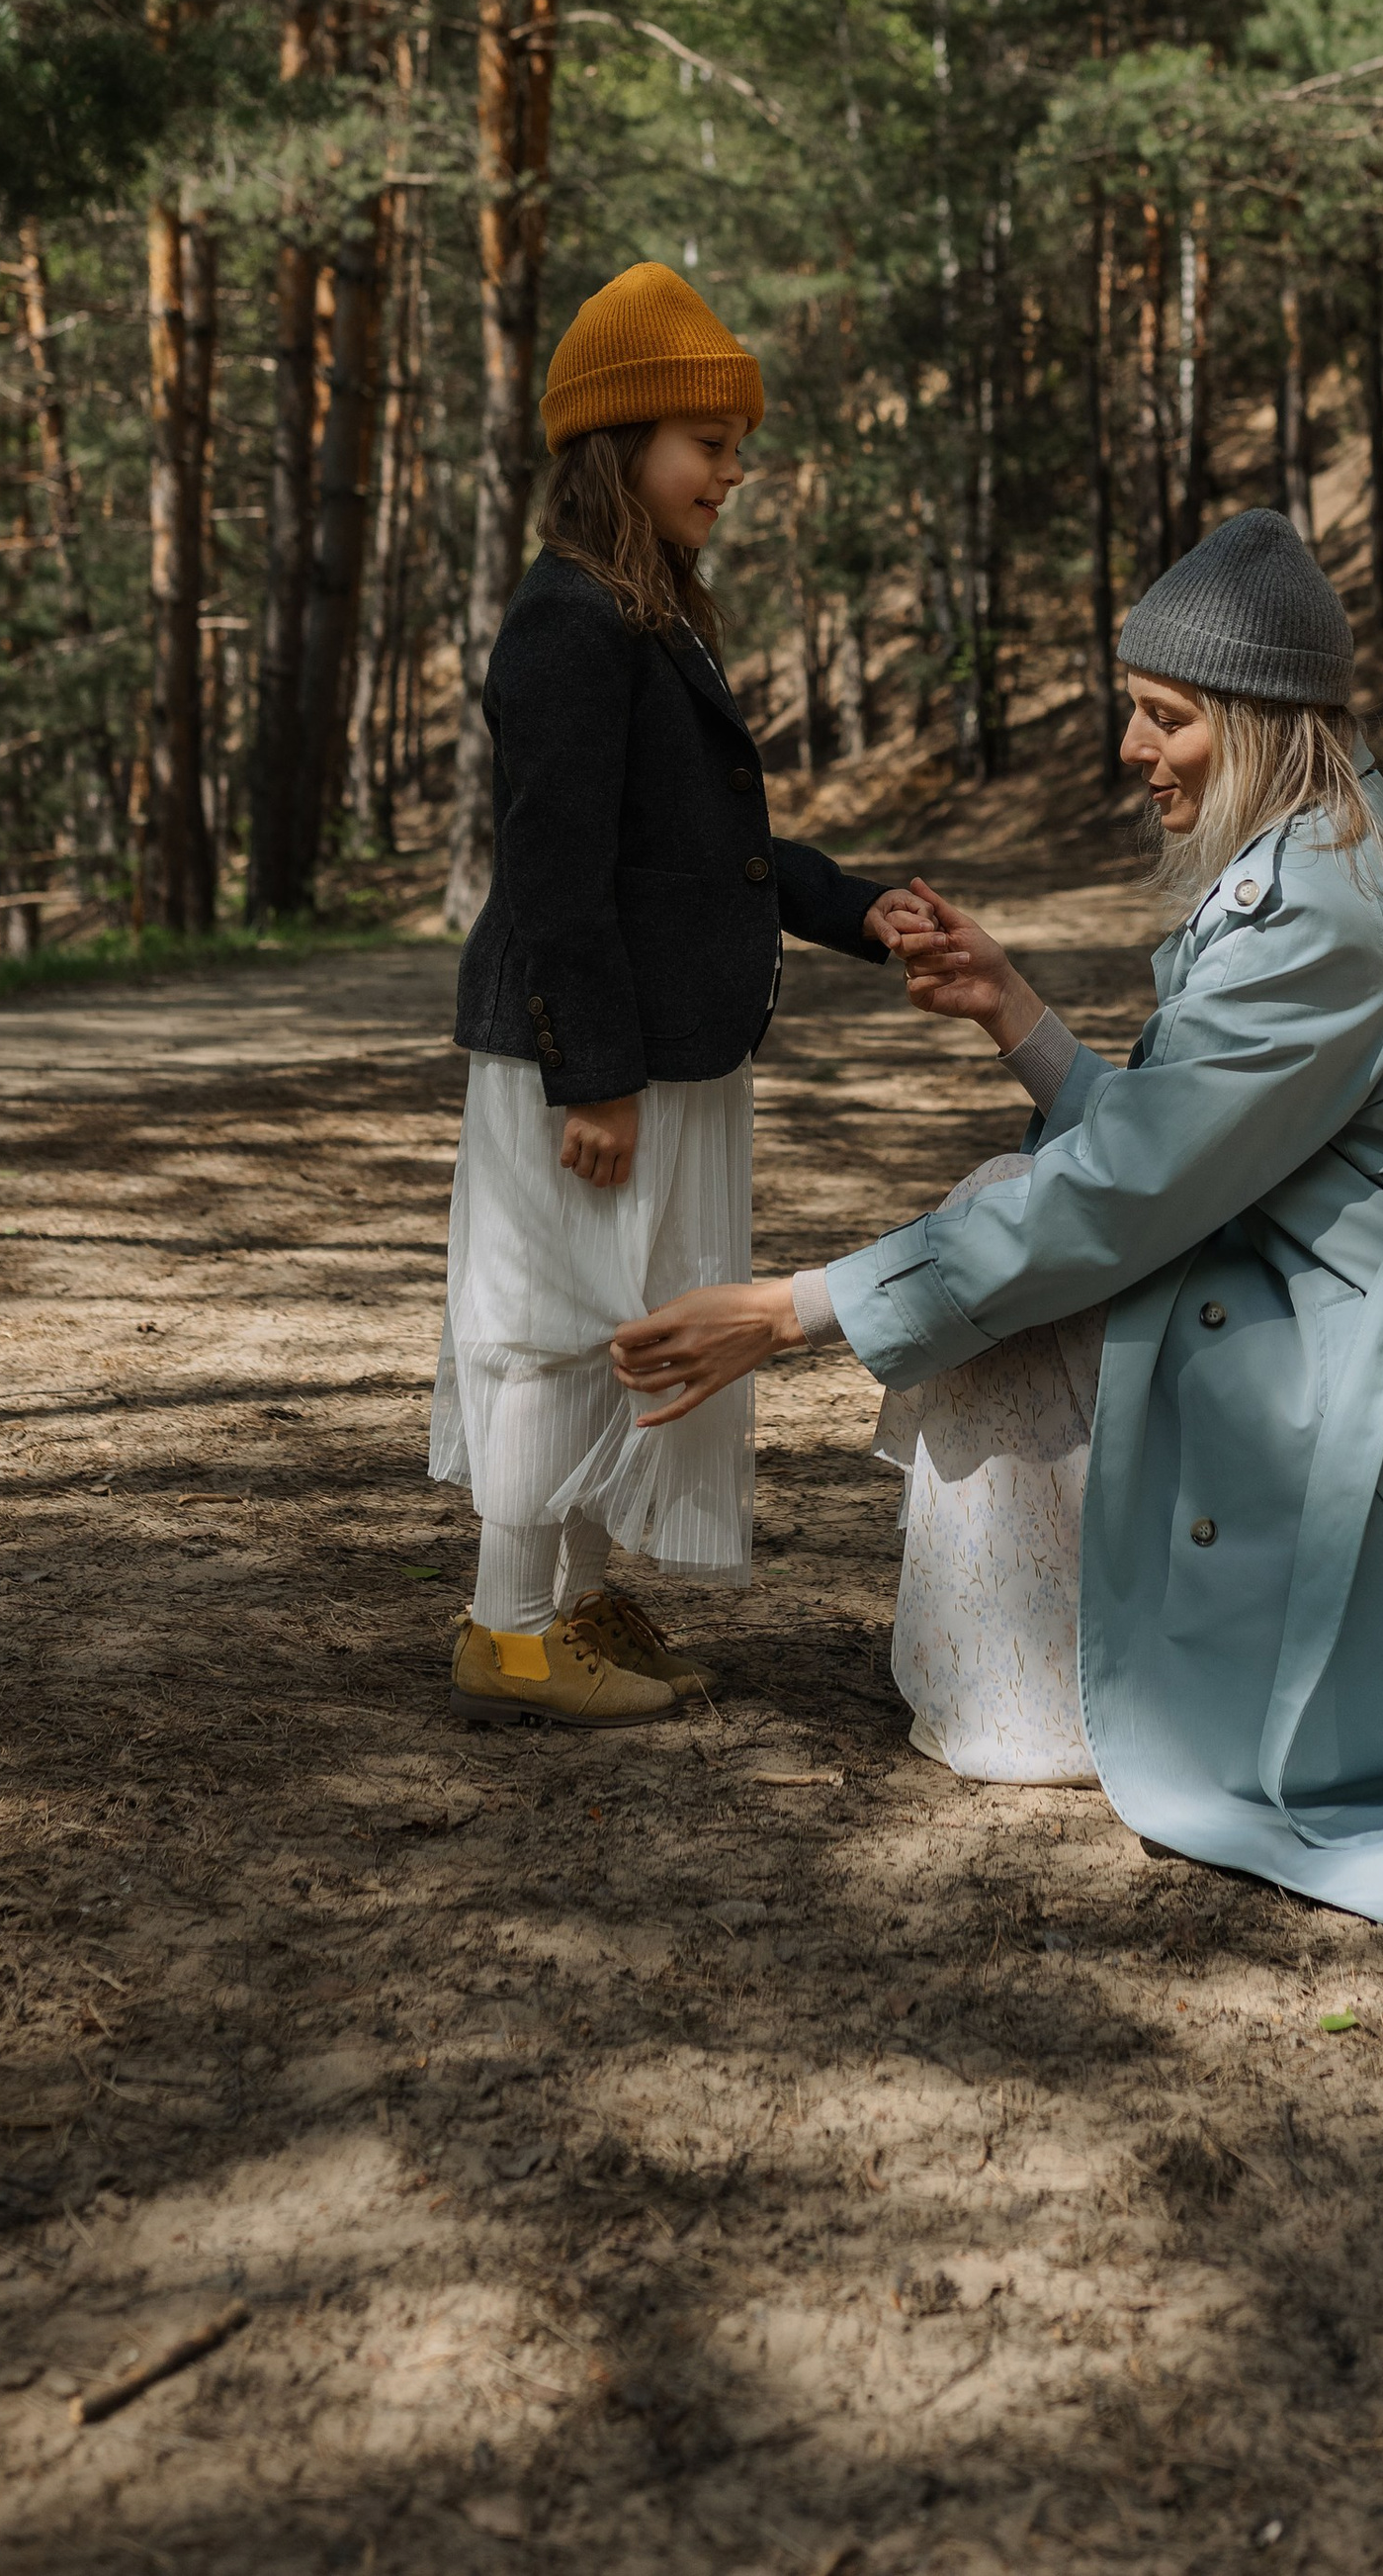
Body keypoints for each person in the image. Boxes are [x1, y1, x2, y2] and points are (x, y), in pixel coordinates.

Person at [609, 505, 1383, 1959]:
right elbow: (1187, 1149)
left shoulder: (1321, 915)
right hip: (1374, 1331)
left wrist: (792, 1310)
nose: (1129, 747)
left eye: (1164, 716)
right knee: (996, 1222)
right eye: (1133, 710)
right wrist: (1017, 1015)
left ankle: (1032, 1710)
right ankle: (1040, 1690)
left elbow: (1117, 1195)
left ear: (1257, 718)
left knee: (997, 1231)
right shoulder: (1321, 860)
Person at [432, 260, 925, 1728]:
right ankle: (506, 1628)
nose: (730, 473)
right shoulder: (569, 620)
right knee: (560, 1326)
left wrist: (855, 909)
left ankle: (576, 1607)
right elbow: (554, 872)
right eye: (707, 444)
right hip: (589, 1059)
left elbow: (710, 849)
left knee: (627, 1325)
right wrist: (590, 1072)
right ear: (621, 441)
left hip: (657, 1050)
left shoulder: (647, 610)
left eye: (735, 448)